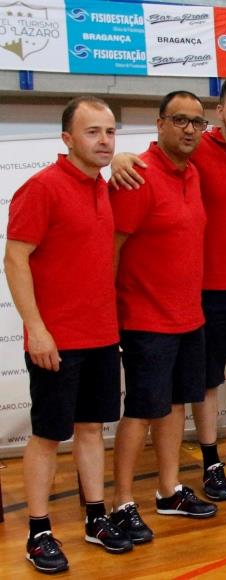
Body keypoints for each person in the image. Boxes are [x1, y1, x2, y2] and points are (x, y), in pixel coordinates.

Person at [110, 74, 226, 500]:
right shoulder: (197, 147)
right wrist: (118, 158)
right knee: (204, 384)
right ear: (219, 113)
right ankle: (210, 464)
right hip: (203, 292)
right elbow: (153, 156)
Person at [7, 97, 132, 573]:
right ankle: (38, 533)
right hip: (56, 341)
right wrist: (37, 330)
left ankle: (96, 518)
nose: (104, 141)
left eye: (110, 132)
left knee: (91, 429)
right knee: (46, 435)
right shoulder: (41, 188)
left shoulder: (103, 187)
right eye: (92, 132)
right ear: (67, 138)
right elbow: (15, 259)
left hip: (101, 335)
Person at [110, 91, 217, 546]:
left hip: (188, 316)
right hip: (144, 319)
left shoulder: (192, 173)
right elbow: (111, 249)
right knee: (141, 411)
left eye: (197, 122)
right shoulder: (138, 175)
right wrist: (109, 314)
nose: (190, 129)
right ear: (159, 124)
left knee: (175, 406)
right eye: (180, 120)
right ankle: (121, 502)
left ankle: (168, 490)